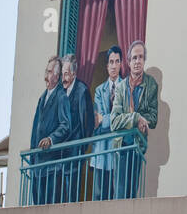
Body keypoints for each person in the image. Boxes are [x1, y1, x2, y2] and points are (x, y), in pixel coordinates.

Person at [110, 40, 159, 198]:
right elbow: (114, 122)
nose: (138, 61)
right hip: (122, 145)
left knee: (131, 194)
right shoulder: (120, 87)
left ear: (144, 60)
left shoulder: (151, 84)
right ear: (129, 62)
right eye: (134, 58)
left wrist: (143, 120)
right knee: (120, 194)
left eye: (141, 57)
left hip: (137, 145)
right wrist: (136, 118)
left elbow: (153, 117)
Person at [29, 57, 71, 205]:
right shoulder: (42, 98)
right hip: (38, 166)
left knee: (49, 207)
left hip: (52, 166)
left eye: (49, 72)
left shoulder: (61, 96)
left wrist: (51, 139)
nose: (45, 76)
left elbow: (65, 125)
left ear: (57, 76)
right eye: (46, 72)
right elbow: (35, 130)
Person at [58, 56, 94, 201]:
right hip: (59, 153)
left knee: (72, 191)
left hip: (74, 151)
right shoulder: (59, 92)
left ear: (74, 74)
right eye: (61, 74)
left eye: (66, 74)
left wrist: (82, 145)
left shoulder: (82, 91)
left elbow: (88, 122)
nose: (63, 78)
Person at [91, 45, 123, 201]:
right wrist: (111, 120)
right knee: (98, 196)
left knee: (115, 195)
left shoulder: (126, 88)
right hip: (100, 150)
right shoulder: (99, 90)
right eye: (111, 62)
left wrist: (106, 119)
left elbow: (123, 118)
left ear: (121, 64)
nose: (114, 65)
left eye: (117, 61)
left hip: (117, 149)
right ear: (107, 65)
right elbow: (96, 120)